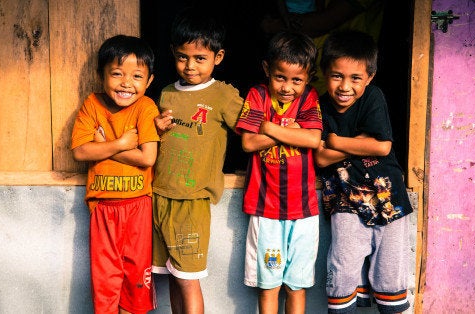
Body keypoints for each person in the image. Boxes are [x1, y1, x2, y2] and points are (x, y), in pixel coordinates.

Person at [151, 8, 244, 314]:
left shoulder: (223, 95)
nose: (189, 66)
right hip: (159, 195)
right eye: (182, 57)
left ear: (218, 57)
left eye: (199, 58)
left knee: (189, 279)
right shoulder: (165, 94)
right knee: (174, 278)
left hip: (192, 201)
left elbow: (252, 130)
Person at [314, 30, 413, 313]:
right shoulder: (319, 107)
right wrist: (360, 143)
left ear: (369, 77)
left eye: (355, 78)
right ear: (323, 73)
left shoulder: (373, 97)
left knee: (390, 273)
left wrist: (336, 141)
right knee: (343, 269)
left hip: (388, 197)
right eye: (337, 76)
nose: (345, 86)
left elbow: (382, 147)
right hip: (345, 201)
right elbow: (320, 159)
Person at [235, 31, 323, 314]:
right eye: (280, 77)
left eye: (297, 80)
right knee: (268, 285)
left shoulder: (309, 97)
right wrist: (292, 131)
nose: (287, 87)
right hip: (267, 209)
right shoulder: (257, 95)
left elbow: (312, 139)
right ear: (266, 70)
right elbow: (248, 143)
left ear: (308, 78)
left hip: (304, 210)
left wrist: (270, 128)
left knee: (296, 286)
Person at [70, 35, 159, 314]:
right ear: (101, 75)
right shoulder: (92, 104)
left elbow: (147, 157)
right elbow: (80, 152)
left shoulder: (145, 107)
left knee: (135, 278)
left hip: (138, 207)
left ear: (149, 81)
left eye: (136, 76)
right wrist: (121, 143)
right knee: (105, 278)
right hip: (104, 209)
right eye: (117, 74)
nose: (126, 83)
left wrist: (104, 145)